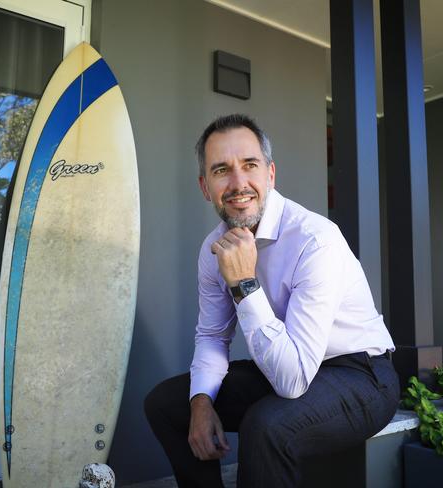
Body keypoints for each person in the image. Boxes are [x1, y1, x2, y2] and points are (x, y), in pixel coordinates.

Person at [144, 114, 399, 487]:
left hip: (360, 375)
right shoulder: (212, 249)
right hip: (282, 363)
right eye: (221, 170)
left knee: (267, 426)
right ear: (205, 186)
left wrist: (245, 282)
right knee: (168, 404)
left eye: (249, 165)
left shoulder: (315, 239)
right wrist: (201, 403)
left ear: (270, 174)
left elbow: (293, 381)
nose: (238, 183)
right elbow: (213, 337)